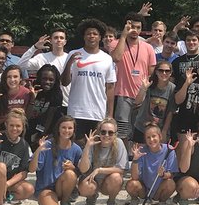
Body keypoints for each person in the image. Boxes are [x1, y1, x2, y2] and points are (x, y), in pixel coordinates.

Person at [60, 18, 117, 140]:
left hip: (97, 112)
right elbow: (64, 82)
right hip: (76, 111)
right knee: (76, 147)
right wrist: (69, 63)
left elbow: (110, 87)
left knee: (94, 149)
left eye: (95, 34)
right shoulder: (73, 54)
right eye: (88, 34)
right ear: (84, 37)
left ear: (100, 37)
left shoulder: (107, 58)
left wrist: (110, 114)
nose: (91, 36)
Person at [110, 14, 158, 142]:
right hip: (122, 93)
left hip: (141, 94)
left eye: (138, 27)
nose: (135, 30)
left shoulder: (148, 48)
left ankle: (136, 158)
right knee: (122, 131)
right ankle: (123, 158)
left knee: (139, 130)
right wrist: (123, 36)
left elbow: (151, 71)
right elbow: (116, 58)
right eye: (132, 27)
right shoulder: (116, 43)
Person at [30, 115, 82, 205]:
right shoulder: (47, 145)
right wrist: (38, 151)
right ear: (58, 128)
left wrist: (73, 168)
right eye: (63, 127)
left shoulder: (76, 149)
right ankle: (45, 204)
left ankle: (65, 201)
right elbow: (31, 169)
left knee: (70, 174)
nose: (66, 130)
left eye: (70, 128)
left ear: (74, 130)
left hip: (62, 187)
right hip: (46, 188)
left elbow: (81, 171)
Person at [77, 119, 128, 205]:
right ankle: (91, 199)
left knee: (116, 177)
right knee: (84, 187)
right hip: (93, 180)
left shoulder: (119, 143)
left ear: (115, 134)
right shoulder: (92, 143)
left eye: (111, 133)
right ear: (99, 132)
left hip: (108, 181)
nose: (106, 135)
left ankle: (111, 201)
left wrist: (99, 170)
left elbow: (121, 169)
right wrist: (87, 147)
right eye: (103, 132)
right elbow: (83, 169)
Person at [126, 125, 178, 205]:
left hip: (159, 188)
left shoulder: (169, 150)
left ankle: (162, 202)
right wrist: (135, 159)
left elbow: (171, 174)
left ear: (160, 136)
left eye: (154, 136)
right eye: (148, 137)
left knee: (170, 183)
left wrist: (163, 174)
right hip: (144, 190)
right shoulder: (141, 151)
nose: (151, 140)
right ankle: (135, 200)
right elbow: (135, 177)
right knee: (131, 184)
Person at [18, 28, 71, 106]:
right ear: (51, 40)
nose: (59, 40)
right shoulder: (41, 57)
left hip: (66, 102)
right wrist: (34, 48)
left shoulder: (70, 59)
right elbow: (20, 65)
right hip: (44, 103)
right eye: (56, 37)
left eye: (61, 38)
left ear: (65, 42)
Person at [130, 60, 176, 143]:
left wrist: (164, 131)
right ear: (156, 72)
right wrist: (143, 89)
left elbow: (170, 112)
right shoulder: (149, 84)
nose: (164, 73)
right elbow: (137, 102)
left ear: (171, 73)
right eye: (161, 70)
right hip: (142, 127)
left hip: (159, 129)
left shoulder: (172, 88)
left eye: (167, 71)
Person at [28, 64, 64, 146]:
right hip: (30, 124)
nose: (47, 82)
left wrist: (42, 135)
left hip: (47, 128)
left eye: (51, 80)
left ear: (55, 81)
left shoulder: (57, 94)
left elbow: (50, 117)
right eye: (44, 79)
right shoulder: (33, 89)